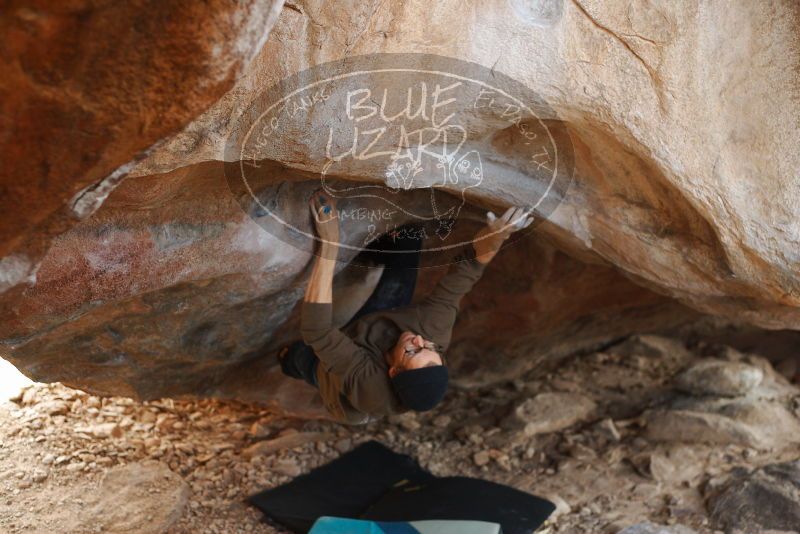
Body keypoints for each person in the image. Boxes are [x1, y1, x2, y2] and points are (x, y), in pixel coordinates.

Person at [278, 191, 533, 424]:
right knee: (407, 240)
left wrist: (331, 243)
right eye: (429, 349)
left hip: (340, 378)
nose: (418, 340)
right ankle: (374, 251)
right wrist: (496, 237)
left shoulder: (370, 386)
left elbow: (317, 331)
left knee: (300, 359)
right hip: (380, 330)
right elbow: (467, 270)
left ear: (393, 370)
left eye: (413, 352)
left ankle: (288, 360)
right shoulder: (431, 332)